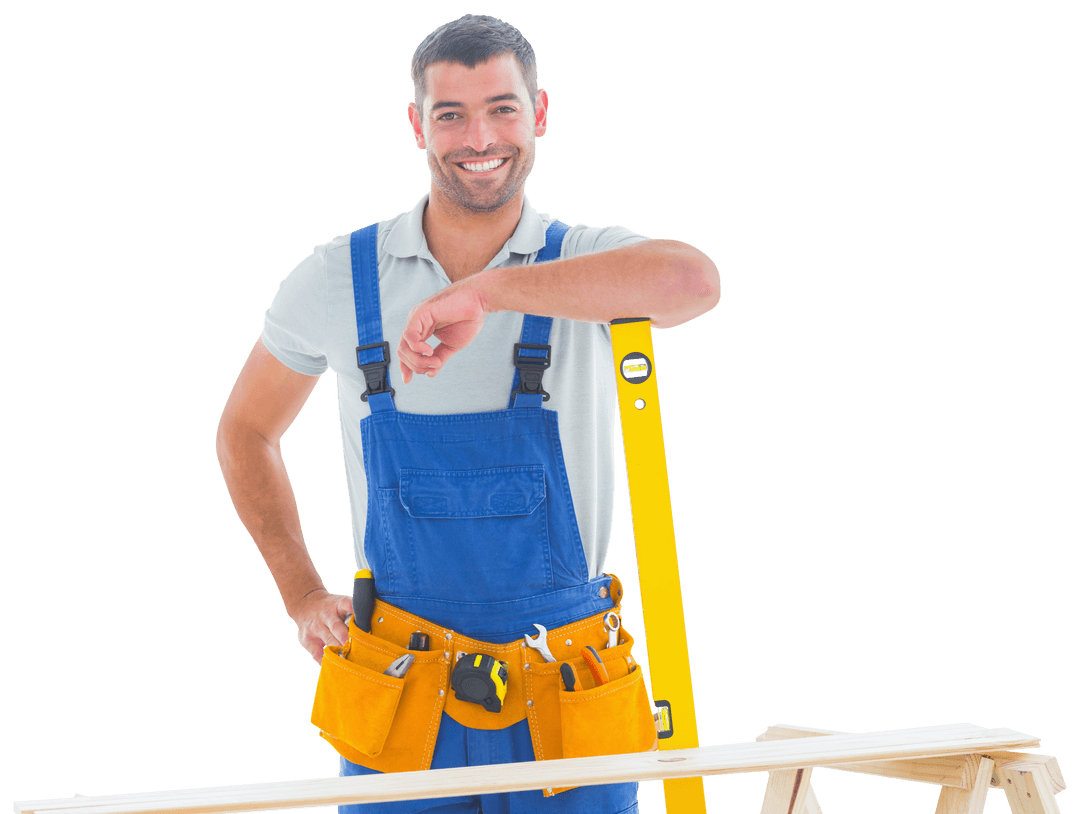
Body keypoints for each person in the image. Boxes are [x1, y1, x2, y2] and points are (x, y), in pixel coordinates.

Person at [215, 13, 721, 814]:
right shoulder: (338, 278)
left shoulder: (587, 260)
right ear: (417, 125)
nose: (478, 136)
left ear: (540, 114)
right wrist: (301, 592)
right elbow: (246, 431)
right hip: (399, 684)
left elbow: (692, 283)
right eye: (450, 113)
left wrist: (486, 291)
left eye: (502, 108)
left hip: (567, 682)